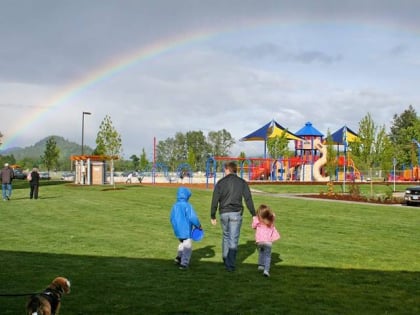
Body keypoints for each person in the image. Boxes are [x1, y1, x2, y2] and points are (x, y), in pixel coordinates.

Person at [210, 161, 256, 272]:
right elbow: (248, 199)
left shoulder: (220, 183)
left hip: (224, 213)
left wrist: (213, 215)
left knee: (226, 235)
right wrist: (253, 214)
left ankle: (226, 259)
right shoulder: (242, 182)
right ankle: (230, 265)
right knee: (233, 239)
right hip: (236, 212)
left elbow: (215, 199)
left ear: (227, 169)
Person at [170, 186, 202, 270]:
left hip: (177, 229)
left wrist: (175, 226)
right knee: (187, 246)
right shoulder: (187, 206)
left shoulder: (175, 206)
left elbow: (171, 218)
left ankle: (178, 257)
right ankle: (184, 263)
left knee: (182, 243)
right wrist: (198, 225)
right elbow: (192, 217)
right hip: (186, 229)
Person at [252, 204, 281, 277]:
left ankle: (261, 265)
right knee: (267, 256)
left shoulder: (257, 220)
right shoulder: (271, 219)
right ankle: (266, 270)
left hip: (260, 241)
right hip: (268, 242)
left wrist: (256, 218)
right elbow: (273, 215)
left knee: (261, 252)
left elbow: (253, 226)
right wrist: (269, 213)